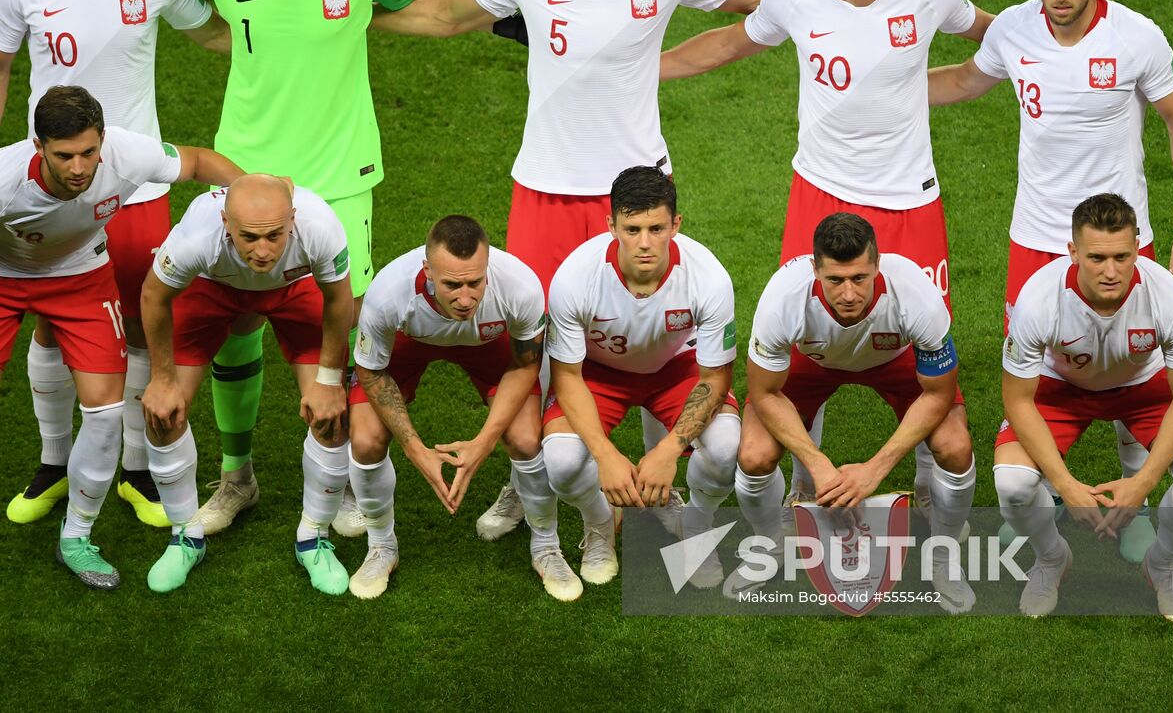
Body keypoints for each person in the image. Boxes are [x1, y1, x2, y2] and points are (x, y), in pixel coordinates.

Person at [368, 0, 774, 532]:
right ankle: (531, 474)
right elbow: (447, 15)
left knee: (654, 323)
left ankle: (654, 469)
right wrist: (342, 14)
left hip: (637, 191)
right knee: (536, 339)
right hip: (546, 190)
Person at [187, 0, 508, 535]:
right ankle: (235, 476)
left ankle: (349, 491)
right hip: (244, 174)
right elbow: (194, 18)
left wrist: (509, 10)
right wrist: (252, 44)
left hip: (342, 176)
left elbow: (417, 4)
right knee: (236, 325)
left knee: (348, 325)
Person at [659, 0, 993, 512]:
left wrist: (1056, 40)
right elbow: (728, 45)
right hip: (821, 194)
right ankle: (805, 494)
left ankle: (931, 487)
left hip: (909, 204)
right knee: (803, 346)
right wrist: (639, 65)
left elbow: (991, 33)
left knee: (924, 347)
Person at [929, 0, 1173, 562]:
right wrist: (886, 87)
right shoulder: (1014, 30)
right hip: (1036, 238)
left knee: (1132, 365)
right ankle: (1049, 494)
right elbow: (969, 80)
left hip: (1117, 234)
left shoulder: (1136, 37)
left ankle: (1124, 495)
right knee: (1039, 368)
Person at [0, 0, 231, 529]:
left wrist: (290, 31)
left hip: (135, 186)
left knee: (146, 328)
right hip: (50, 191)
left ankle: (136, 469)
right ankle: (54, 462)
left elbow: (212, 35)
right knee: (55, 329)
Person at [0, 86, 241, 594]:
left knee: (102, 417)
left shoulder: (127, 152)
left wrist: (257, 190)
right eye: (64, 156)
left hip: (80, 278)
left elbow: (198, 161)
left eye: (88, 153)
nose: (79, 168)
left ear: (102, 140)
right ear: (39, 147)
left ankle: (76, 537)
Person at [729, 213, 975, 612]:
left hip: (893, 359)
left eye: (859, 278)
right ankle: (770, 547)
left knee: (956, 445)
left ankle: (944, 559)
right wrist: (819, 464)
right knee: (754, 455)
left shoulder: (914, 291)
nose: (848, 294)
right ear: (815, 270)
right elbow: (765, 393)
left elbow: (938, 392)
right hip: (812, 361)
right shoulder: (783, 297)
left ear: (877, 265)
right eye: (835, 280)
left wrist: (875, 469)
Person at [995, 194, 1173, 623]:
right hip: (1061, 390)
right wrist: (1065, 484)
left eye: (1121, 256)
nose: (1111, 271)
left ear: (1137, 247)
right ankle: (1051, 559)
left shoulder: (1167, 297)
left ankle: (1163, 565)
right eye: (1096, 257)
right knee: (1013, 484)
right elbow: (1018, 399)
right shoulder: (1039, 298)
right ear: (1073, 252)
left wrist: (1144, 483)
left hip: (1143, 387)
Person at [138, 176, 354, 595]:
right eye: (249, 237)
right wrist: (162, 379)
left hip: (295, 289)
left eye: (275, 235)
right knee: (163, 414)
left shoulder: (320, 226)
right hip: (213, 289)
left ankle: (314, 536)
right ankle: (186, 536)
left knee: (331, 416)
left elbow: (339, 298)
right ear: (225, 223)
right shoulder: (196, 237)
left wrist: (328, 381)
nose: (263, 250)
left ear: (292, 219)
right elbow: (153, 296)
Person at [346, 216, 576, 601]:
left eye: (475, 282)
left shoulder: (518, 285)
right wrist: (415, 448)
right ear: (427, 270)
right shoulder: (388, 291)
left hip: (490, 343)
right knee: (366, 441)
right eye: (452, 284)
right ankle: (381, 546)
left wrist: (484, 443)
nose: (466, 298)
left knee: (524, 439)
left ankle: (547, 547)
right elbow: (372, 373)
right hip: (409, 343)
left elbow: (525, 363)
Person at [541, 167, 741, 589]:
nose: (645, 243)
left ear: (676, 224)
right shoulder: (575, 278)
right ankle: (599, 524)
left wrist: (670, 450)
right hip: (598, 374)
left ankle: (696, 525)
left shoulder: (709, 278)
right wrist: (607, 456)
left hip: (675, 371)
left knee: (725, 450)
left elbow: (715, 376)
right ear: (611, 224)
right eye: (632, 229)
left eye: (656, 228)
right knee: (560, 464)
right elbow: (566, 374)